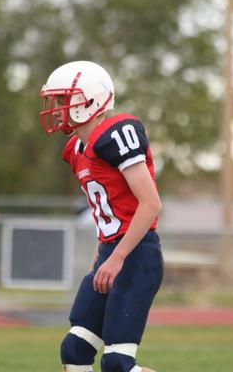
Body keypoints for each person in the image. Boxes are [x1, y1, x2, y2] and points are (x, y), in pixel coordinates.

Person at [39, 61, 163, 372]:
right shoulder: (76, 149)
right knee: (74, 351)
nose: (57, 108)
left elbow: (150, 204)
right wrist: (103, 253)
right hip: (110, 254)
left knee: (117, 364)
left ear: (89, 100)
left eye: (63, 99)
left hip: (136, 255)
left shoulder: (116, 135)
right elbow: (107, 209)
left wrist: (118, 257)